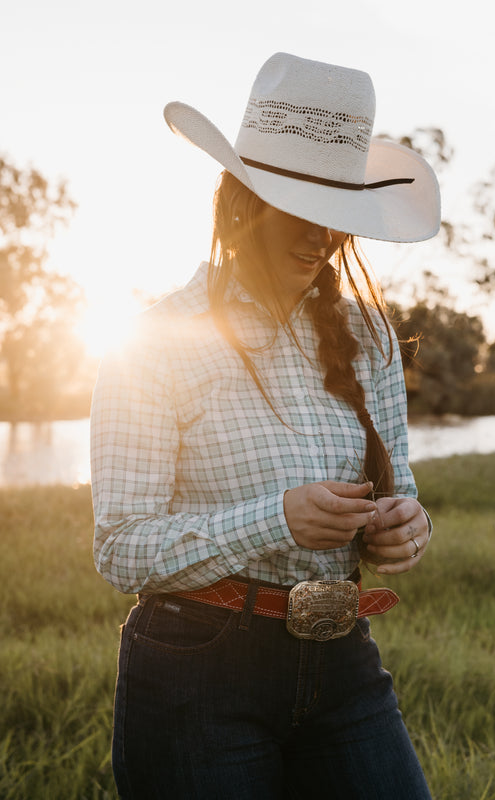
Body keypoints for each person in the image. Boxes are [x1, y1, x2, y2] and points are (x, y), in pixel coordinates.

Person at [91, 52, 440, 799]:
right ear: (241, 203)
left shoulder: (368, 337)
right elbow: (121, 549)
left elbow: (400, 492)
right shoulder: (154, 340)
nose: (323, 238)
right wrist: (275, 520)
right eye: (302, 210)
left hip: (343, 657)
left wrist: (403, 528)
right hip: (196, 669)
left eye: (339, 218)